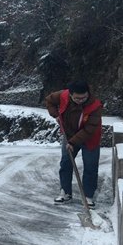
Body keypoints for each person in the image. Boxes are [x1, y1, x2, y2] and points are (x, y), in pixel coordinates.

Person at [45, 80, 102, 208]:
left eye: (84, 98)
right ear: (70, 94)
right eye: (77, 98)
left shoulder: (95, 106)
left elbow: (89, 129)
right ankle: (65, 192)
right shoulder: (62, 95)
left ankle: (88, 196)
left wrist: (72, 142)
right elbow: (49, 101)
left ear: (88, 93)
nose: (81, 100)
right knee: (66, 162)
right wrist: (56, 115)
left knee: (90, 166)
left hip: (90, 138)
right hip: (69, 134)